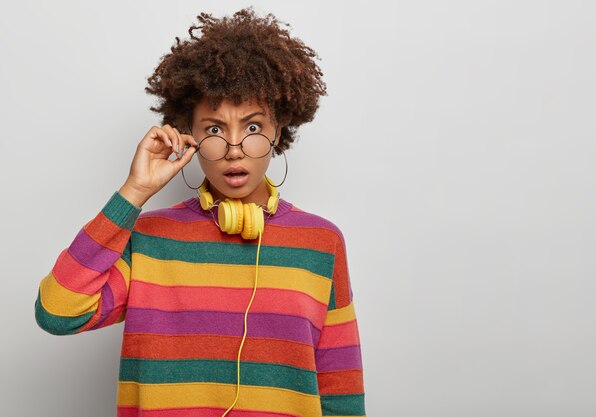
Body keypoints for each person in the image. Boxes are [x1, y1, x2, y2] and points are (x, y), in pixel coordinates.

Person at [34, 7, 366, 417]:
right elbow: (56, 313)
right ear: (188, 136)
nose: (234, 148)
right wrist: (134, 192)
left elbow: (341, 390)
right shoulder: (152, 237)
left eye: (253, 127)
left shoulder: (321, 242)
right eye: (213, 129)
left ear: (279, 129)